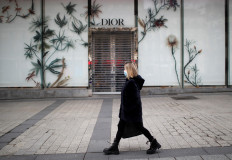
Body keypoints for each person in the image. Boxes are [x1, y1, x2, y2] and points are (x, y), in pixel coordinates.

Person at [103, 61, 161, 155]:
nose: (124, 71)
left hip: (131, 112)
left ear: (129, 70)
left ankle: (154, 142)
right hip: (128, 112)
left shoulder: (131, 83)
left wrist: (127, 110)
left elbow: (135, 100)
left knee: (139, 127)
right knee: (121, 126)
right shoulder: (130, 81)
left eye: (125, 69)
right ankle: (115, 146)